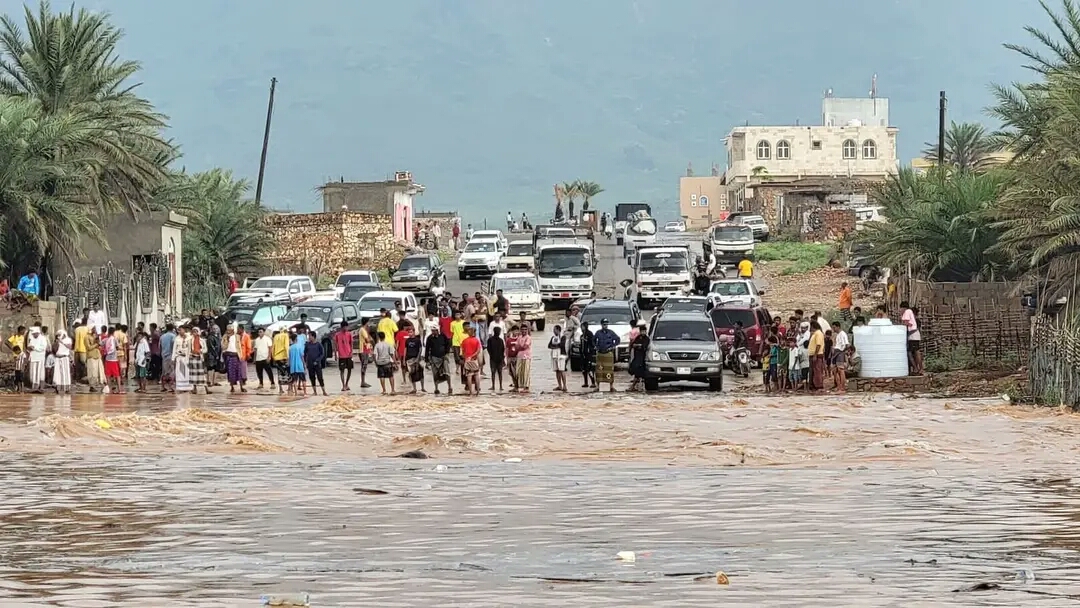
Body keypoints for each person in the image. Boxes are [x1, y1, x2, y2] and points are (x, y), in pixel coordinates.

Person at [425, 324, 453, 395]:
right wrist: (427, 360)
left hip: (443, 357)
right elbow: (427, 349)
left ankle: (449, 387)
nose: (433, 332)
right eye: (432, 331)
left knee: (447, 372)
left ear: (438, 330)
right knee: (435, 374)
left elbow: (448, 344)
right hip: (434, 358)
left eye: (434, 331)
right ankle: (436, 388)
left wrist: (447, 353)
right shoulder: (429, 338)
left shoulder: (443, 336)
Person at [594, 319, 620, 392]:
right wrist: (596, 346)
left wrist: (613, 346)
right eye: (604, 324)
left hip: (608, 354)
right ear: (601, 325)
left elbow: (618, 339)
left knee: (609, 370)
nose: (605, 326)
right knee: (599, 371)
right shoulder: (598, 333)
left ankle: (611, 386)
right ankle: (598, 386)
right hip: (600, 354)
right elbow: (593, 340)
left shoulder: (611, 333)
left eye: (606, 324)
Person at [900, 301, 923, 375]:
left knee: (913, 353)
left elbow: (914, 329)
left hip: (913, 337)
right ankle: (917, 368)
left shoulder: (915, 320)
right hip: (913, 338)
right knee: (914, 353)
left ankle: (918, 369)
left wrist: (907, 333)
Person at [223, 325, 246, 393]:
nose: (228, 331)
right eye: (227, 329)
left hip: (236, 356)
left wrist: (241, 355)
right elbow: (223, 346)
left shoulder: (237, 336)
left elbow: (239, 346)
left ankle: (241, 387)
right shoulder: (225, 336)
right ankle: (232, 387)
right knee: (230, 372)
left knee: (239, 372)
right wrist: (227, 340)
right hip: (229, 356)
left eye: (230, 330)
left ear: (233, 330)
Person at [461, 325, 483, 395]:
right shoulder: (477, 340)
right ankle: (478, 392)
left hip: (467, 360)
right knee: (476, 375)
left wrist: (467, 357)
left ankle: (471, 392)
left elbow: (462, 352)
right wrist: (473, 356)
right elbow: (478, 351)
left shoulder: (464, 341)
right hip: (474, 360)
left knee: (469, 376)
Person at [628, 319, 649, 391]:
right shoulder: (638, 337)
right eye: (642, 331)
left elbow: (644, 346)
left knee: (641, 372)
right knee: (634, 369)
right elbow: (633, 344)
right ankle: (636, 386)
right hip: (637, 356)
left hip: (643, 357)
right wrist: (636, 346)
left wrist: (638, 345)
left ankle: (637, 386)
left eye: (644, 331)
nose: (643, 332)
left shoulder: (647, 339)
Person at [333, 322, 355, 392]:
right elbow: (335, 345)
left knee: (349, 370)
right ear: (342, 327)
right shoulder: (337, 335)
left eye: (347, 327)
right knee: (342, 370)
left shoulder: (349, 334)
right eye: (344, 327)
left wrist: (351, 352)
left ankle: (347, 383)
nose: (346, 328)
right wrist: (336, 354)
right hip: (341, 355)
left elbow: (351, 343)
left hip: (348, 355)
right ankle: (343, 385)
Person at [102, 326, 124, 394]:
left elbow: (100, 344)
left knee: (108, 375)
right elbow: (117, 347)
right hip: (114, 359)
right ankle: (119, 389)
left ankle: (109, 390)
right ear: (113, 332)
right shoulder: (114, 339)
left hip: (107, 359)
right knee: (117, 375)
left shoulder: (106, 340)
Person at [548, 324, 569, 392]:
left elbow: (562, 345)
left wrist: (555, 346)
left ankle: (565, 386)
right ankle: (559, 385)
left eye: (555, 330)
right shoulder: (553, 337)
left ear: (558, 330)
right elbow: (549, 345)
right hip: (554, 355)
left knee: (562, 370)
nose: (554, 331)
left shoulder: (563, 337)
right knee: (557, 371)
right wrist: (555, 346)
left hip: (561, 355)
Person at [404, 326, 425, 393]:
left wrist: (418, 358)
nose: (409, 333)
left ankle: (422, 388)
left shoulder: (417, 340)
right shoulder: (407, 340)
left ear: (413, 332)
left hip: (417, 358)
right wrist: (404, 359)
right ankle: (414, 388)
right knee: (412, 374)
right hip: (409, 359)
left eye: (411, 332)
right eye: (409, 332)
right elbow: (405, 349)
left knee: (420, 373)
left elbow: (420, 349)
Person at [26, 327, 48, 392]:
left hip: (39, 358)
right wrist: (29, 348)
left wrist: (34, 348)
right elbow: (29, 346)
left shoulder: (43, 338)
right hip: (33, 357)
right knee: (33, 372)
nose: (33, 335)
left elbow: (43, 348)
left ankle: (38, 386)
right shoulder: (32, 338)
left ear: (37, 333)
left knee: (38, 372)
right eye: (33, 334)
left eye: (34, 334)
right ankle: (33, 386)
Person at [172, 326, 191, 394]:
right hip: (179, 357)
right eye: (179, 330)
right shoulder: (177, 339)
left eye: (181, 330)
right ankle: (180, 387)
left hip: (187, 357)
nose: (180, 332)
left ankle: (187, 387)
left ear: (184, 330)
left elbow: (190, 348)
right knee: (180, 372)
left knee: (187, 372)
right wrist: (173, 358)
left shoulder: (189, 338)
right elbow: (174, 349)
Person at [808, 320, 826, 391]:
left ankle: (819, 385)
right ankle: (813, 385)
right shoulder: (815, 334)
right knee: (813, 371)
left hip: (817, 355)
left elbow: (818, 345)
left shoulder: (818, 333)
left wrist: (815, 354)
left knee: (817, 370)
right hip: (812, 354)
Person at [85, 327, 104, 392]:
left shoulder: (96, 336)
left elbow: (100, 345)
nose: (95, 330)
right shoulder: (86, 337)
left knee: (99, 371)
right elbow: (88, 348)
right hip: (91, 356)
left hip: (97, 356)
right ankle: (92, 386)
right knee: (92, 372)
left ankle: (101, 385)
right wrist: (96, 344)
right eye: (93, 329)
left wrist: (98, 343)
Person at [579, 321, 597, 389]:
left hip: (589, 354)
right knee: (584, 369)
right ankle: (585, 382)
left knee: (590, 368)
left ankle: (593, 382)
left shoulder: (590, 334)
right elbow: (581, 345)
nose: (581, 328)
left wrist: (591, 352)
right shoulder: (581, 336)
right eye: (581, 327)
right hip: (583, 354)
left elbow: (592, 344)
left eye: (582, 327)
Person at [189, 328, 208, 394]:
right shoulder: (190, 340)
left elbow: (205, 349)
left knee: (201, 374)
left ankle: (206, 388)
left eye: (196, 332)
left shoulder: (202, 340)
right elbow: (189, 349)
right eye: (193, 332)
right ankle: (194, 388)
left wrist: (200, 351)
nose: (195, 333)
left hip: (199, 358)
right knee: (193, 374)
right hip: (192, 357)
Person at [271, 328, 290, 394]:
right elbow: (286, 346)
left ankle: (280, 389)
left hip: (277, 357)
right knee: (287, 373)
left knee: (279, 373)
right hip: (284, 357)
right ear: (285, 331)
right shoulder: (286, 336)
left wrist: (273, 357)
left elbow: (273, 347)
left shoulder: (276, 336)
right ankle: (289, 388)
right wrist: (288, 357)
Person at [514, 324, 532, 393]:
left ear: (527, 330)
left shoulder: (528, 338)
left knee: (526, 372)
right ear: (520, 330)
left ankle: (526, 387)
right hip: (519, 356)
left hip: (526, 356)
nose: (524, 331)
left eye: (525, 329)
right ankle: (520, 386)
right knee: (518, 372)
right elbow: (516, 347)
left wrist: (519, 347)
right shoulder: (519, 337)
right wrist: (520, 347)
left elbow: (525, 346)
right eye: (523, 329)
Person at [53, 329, 72, 394]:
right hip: (58, 358)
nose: (59, 336)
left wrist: (62, 342)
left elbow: (69, 347)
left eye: (59, 335)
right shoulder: (57, 341)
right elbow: (54, 349)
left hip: (64, 357)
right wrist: (57, 342)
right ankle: (57, 388)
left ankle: (67, 388)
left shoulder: (68, 339)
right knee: (57, 374)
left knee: (65, 373)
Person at [487, 325, 505, 392]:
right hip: (494, 358)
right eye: (498, 331)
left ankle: (500, 386)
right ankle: (494, 386)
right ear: (494, 331)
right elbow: (488, 349)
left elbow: (503, 349)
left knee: (499, 372)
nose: (498, 332)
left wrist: (502, 359)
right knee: (494, 372)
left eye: (499, 331)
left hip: (498, 359)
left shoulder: (500, 340)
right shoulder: (490, 340)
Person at [160, 324, 176, 392]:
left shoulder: (162, 336)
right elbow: (173, 345)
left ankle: (163, 386)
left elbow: (160, 346)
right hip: (171, 355)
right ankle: (171, 386)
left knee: (164, 371)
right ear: (173, 329)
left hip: (164, 355)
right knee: (171, 371)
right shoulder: (173, 336)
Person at [359, 322, 375, 389]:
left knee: (364, 366)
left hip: (365, 349)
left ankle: (363, 381)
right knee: (364, 366)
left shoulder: (363, 330)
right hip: (364, 350)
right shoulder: (363, 330)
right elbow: (367, 340)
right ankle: (363, 382)